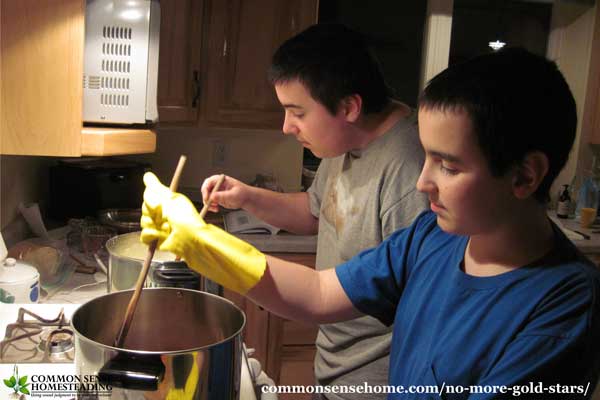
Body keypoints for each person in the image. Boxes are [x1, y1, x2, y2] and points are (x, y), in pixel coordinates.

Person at [141, 47, 600, 399]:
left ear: (525, 174)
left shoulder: (566, 306)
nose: (422, 182)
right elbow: (320, 294)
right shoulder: (432, 239)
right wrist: (204, 244)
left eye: (449, 166)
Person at [200, 23, 427, 398]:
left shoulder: (409, 168)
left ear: (349, 107)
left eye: (297, 112)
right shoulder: (343, 142)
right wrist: (246, 197)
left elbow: (416, 302)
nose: (287, 126)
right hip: (333, 366)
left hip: (374, 384)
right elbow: (315, 210)